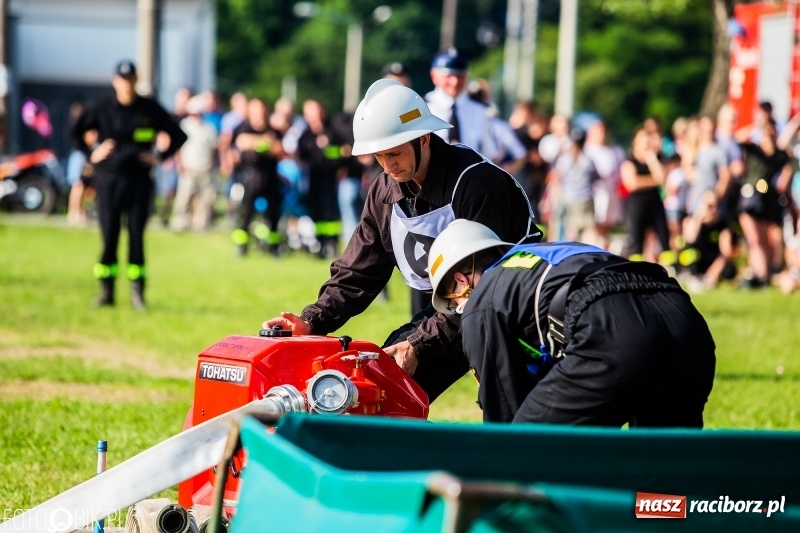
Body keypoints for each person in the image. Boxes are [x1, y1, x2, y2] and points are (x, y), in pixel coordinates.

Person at [263, 79, 539, 403]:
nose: (388, 166)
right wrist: (312, 321)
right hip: (446, 315)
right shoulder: (384, 192)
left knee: (515, 415)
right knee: (379, 387)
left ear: (423, 138)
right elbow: (357, 273)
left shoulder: (478, 185)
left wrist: (419, 344)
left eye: (394, 153)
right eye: (378, 156)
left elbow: (478, 286)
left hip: (511, 309)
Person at [427, 219, 716, 426]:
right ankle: (668, 512)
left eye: (452, 302)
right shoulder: (548, 254)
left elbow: (503, 412)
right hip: (683, 319)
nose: (458, 309)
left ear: (460, 281)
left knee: (526, 450)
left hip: (615, 329)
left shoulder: (482, 299)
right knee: (662, 475)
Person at [71, 60, 187, 309]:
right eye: (122, 79)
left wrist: (159, 157)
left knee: (136, 236)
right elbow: (74, 131)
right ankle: (106, 290)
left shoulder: (149, 109)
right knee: (109, 236)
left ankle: (137, 293)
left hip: (139, 181)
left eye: (130, 78)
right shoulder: (102, 108)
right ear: (115, 81)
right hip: (109, 179)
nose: (126, 84)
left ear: (136, 80)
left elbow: (179, 135)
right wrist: (92, 153)